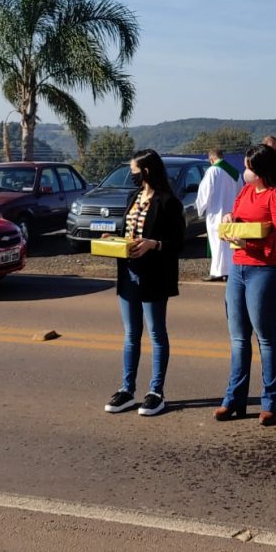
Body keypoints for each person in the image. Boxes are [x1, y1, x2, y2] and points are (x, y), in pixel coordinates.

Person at [216, 143, 276, 426]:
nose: (245, 171)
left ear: (262, 170)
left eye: (249, 167)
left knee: (265, 337)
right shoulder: (246, 191)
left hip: (266, 270)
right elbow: (237, 218)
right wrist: (229, 221)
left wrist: (249, 242)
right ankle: (234, 399)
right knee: (238, 338)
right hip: (238, 267)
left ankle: (270, 403)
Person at [103, 149, 186, 417]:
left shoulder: (168, 201)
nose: (132, 176)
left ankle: (155, 392)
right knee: (130, 335)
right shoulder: (133, 197)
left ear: (146, 171)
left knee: (156, 334)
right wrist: (113, 236)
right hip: (128, 273)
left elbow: (178, 243)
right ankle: (127, 390)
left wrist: (155, 244)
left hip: (154, 275)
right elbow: (129, 230)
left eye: (134, 171)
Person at [195, 148, 240, 282]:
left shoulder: (212, 171)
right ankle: (230, 270)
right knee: (229, 242)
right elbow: (240, 192)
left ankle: (217, 271)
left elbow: (205, 192)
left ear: (211, 159)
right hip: (231, 212)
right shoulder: (235, 173)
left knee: (217, 242)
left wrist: (200, 208)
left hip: (216, 212)